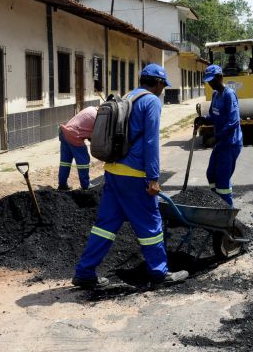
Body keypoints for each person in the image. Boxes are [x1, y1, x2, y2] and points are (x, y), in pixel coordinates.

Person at [72, 64, 189, 289]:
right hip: (134, 175)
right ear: (157, 83)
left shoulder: (129, 96)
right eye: (163, 86)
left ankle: (84, 272)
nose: (163, 90)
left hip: (113, 171)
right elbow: (151, 141)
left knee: (105, 225)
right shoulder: (151, 101)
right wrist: (153, 178)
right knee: (150, 224)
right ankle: (159, 273)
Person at [194, 64, 243, 207]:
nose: (210, 84)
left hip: (230, 143)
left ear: (221, 77)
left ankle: (227, 212)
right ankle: (216, 204)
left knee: (222, 180)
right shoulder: (215, 95)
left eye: (212, 80)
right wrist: (203, 119)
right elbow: (214, 116)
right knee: (211, 174)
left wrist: (216, 137)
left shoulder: (229, 94)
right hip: (221, 143)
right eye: (208, 81)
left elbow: (233, 122)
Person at [58, 104, 98, 190]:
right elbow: (94, 136)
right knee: (83, 161)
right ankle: (85, 185)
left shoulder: (90, 108)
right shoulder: (98, 118)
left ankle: (62, 184)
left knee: (65, 162)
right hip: (74, 135)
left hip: (64, 132)